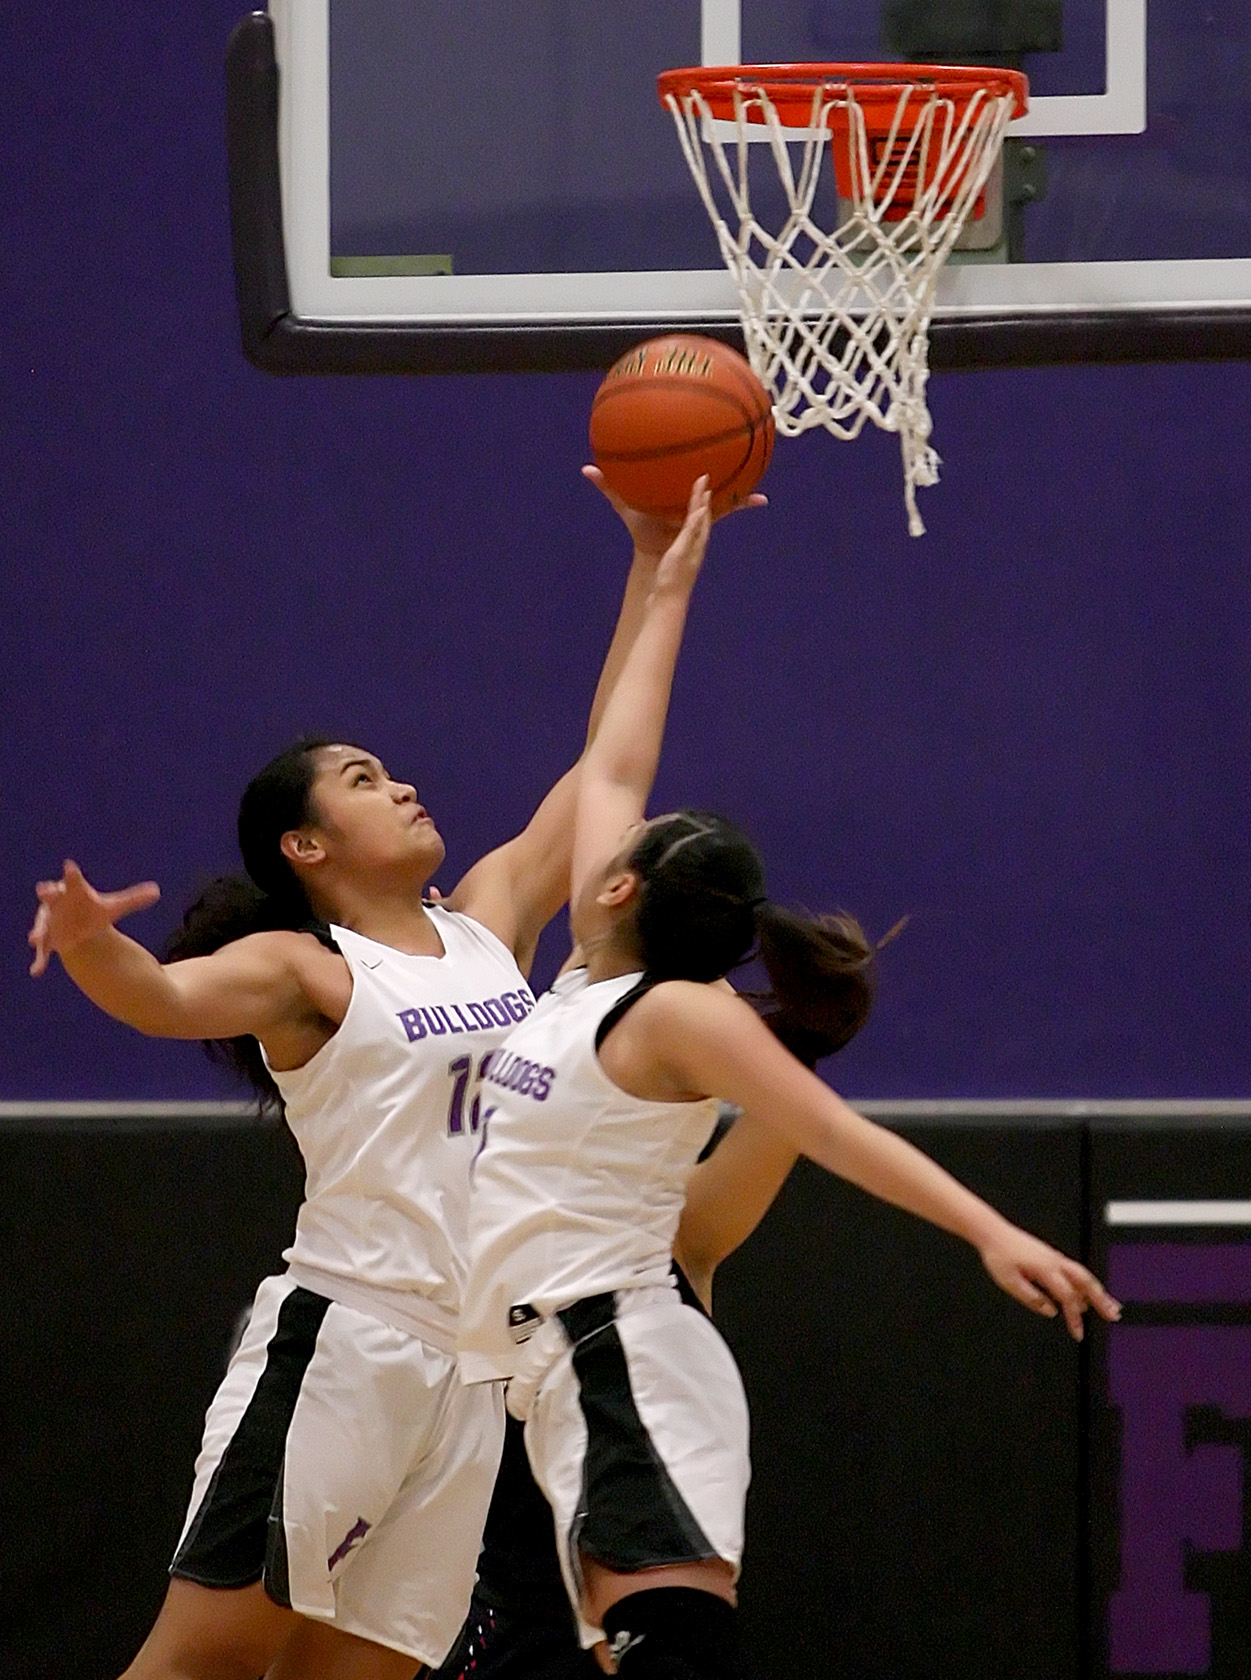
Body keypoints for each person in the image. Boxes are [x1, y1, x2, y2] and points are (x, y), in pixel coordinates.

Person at [26, 475, 739, 1680]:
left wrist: (657, 568)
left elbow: (608, 757)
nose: (400, 784)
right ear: (306, 847)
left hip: (470, 1378)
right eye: (362, 779)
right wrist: (93, 942)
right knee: (206, 1653)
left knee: (357, 1675)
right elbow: (162, 998)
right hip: (349, 1344)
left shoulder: (486, 925)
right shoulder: (308, 967)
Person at [457, 480, 1122, 1680]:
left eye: (627, 837)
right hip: (542, 1368)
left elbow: (829, 1128)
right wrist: (667, 582)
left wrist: (989, 1229)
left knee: (672, 1649)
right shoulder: (577, 989)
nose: (612, 823)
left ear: (621, 885)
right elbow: (617, 749)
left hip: (629, 1355)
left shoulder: (675, 1018)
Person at [433, 1099, 802, 1680]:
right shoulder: (439, 1274)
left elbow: (788, 1103)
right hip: (505, 1633)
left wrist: (801, 1035)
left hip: (645, 1614)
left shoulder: (664, 1248)